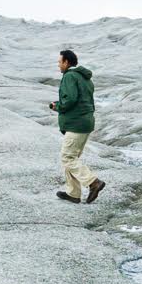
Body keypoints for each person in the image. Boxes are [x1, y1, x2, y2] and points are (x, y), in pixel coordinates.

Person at [49, 50, 106, 204]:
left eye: (60, 62)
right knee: (72, 158)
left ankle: (93, 182)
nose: (58, 65)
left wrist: (57, 106)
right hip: (85, 122)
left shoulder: (69, 76)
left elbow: (71, 99)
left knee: (67, 157)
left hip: (76, 123)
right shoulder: (84, 78)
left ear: (67, 62)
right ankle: (73, 193)